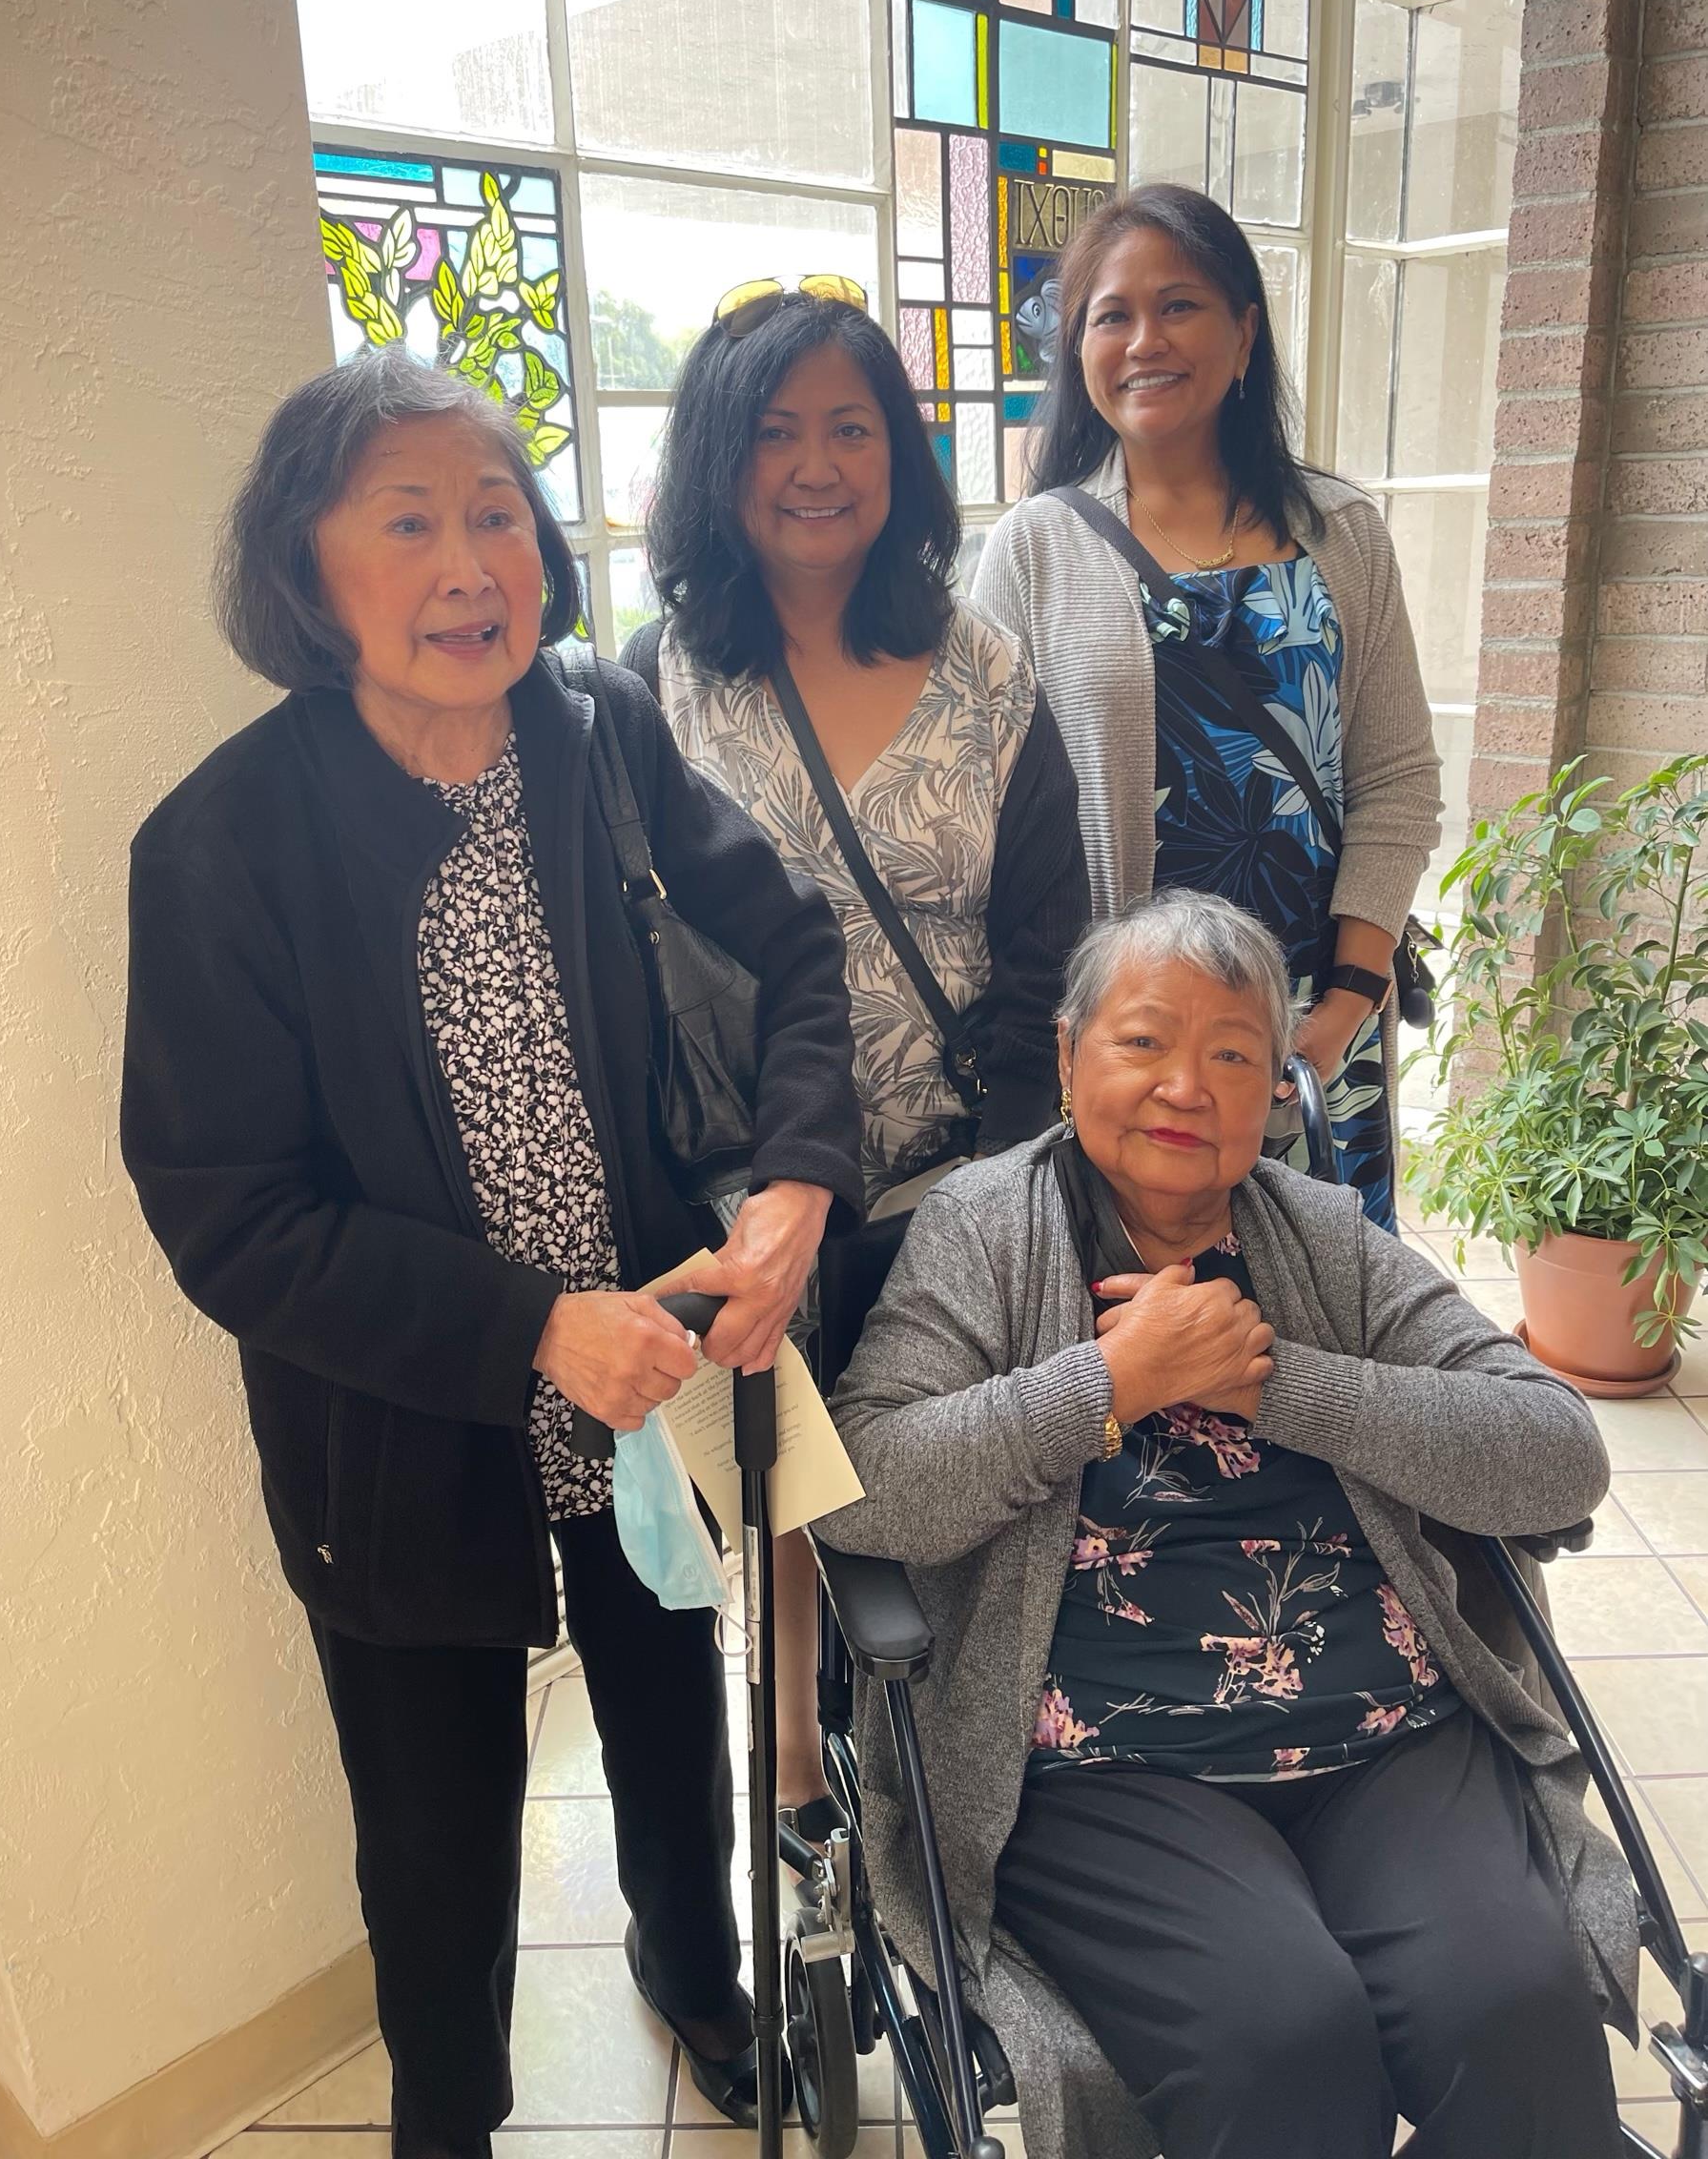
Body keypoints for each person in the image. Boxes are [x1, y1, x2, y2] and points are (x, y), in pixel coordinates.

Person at [120, 352, 865, 2158]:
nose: (471, 564)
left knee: (666, 1718)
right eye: (408, 522)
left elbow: (790, 959)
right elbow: (228, 1208)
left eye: (495, 515)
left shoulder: (594, 731)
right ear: (307, 574)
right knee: (432, 1823)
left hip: (655, 1374)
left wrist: (793, 1182)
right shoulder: (222, 842)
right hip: (404, 1426)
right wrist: (532, 1325)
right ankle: (448, 2106)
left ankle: (689, 1964)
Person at [817, 890, 1633, 2159]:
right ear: (1068, 1055)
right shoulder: (983, 1231)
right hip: (1103, 1760)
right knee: (1283, 2040)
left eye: (1233, 1054)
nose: (1184, 1086)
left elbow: (1554, 1455)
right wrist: (1108, 1386)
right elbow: (869, 1485)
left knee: (1515, 2013)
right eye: (1142, 1042)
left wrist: (1271, 1383)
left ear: (1274, 1089)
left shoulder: (1320, 1239)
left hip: (1385, 1738)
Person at [622, 278, 1089, 1832]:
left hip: (957, 1180)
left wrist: (1004, 1195)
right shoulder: (651, 687)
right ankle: (801, 1793)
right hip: (738, 1191)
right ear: (716, 462)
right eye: (774, 431)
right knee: (777, 1507)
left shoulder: (986, 674)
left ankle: (941, 1804)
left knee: (941, 1501)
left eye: (852, 424)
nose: (816, 461)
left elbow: (1044, 959)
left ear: (898, 449)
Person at [972, 185, 1442, 1232]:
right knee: (1146, 1329)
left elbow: (1398, 784)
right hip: (1133, 1053)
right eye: (1111, 314)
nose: (1145, 340)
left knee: (1322, 1309)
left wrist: (1341, 1014)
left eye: (1178, 306)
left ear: (1243, 333)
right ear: (1080, 352)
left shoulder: (1342, 533)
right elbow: (994, 818)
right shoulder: (1033, 549)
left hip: (1319, 1020)